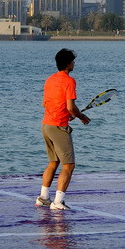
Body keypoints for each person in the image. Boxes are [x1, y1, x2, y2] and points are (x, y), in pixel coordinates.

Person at [36, 49, 90, 210]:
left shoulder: (50, 79)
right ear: (67, 63)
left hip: (46, 125)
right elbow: (70, 106)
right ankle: (58, 202)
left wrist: (67, 115)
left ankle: (43, 198)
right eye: (72, 61)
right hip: (58, 126)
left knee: (53, 161)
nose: (74, 63)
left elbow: (47, 103)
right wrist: (81, 117)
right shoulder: (69, 81)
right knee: (69, 165)